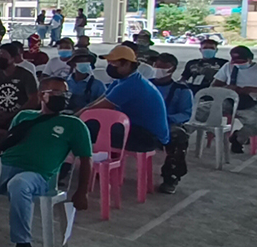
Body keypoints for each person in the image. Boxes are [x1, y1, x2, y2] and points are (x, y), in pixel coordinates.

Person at [0, 77, 93, 247]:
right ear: (42, 95)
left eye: (65, 94)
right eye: (56, 93)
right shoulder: (24, 117)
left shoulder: (74, 125)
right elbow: (8, 144)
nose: (62, 97)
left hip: (39, 175)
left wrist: (82, 191)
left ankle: (23, 243)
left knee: (19, 184)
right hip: (7, 165)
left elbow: (86, 159)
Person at [80, 45, 187, 194]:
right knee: (86, 124)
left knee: (86, 128)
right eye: (109, 63)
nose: (110, 67)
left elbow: (97, 110)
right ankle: (98, 164)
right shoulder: (122, 81)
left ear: (127, 64)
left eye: (114, 64)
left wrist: (73, 119)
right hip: (138, 129)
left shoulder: (131, 85)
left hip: (148, 137)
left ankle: (77, 167)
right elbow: (97, 102)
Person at [212, 45, 257, 153]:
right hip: (228, 100)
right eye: (235, 61)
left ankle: (238, 138)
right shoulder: (228, 67)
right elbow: (213, 87)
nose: (238, 64)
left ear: (250, 59)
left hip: (250, 103)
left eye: (241, 61)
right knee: (201, 111)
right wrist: (228, 88)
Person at [150, 53, 193, 193]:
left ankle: (171, 177)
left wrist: (167, 119)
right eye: (157, 66)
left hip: (166, 126)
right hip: (143, 124)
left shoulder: (182, 90)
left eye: (164, 67)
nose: (159, 69)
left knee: (179, 137)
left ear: (172, 69)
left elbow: (185, 114)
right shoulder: (145, 85)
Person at [0, 43, 39, 129]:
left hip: (19, 116)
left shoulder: (26, 75)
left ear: (14, 59)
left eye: (3, 57)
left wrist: (13, 115)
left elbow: (33, 100)